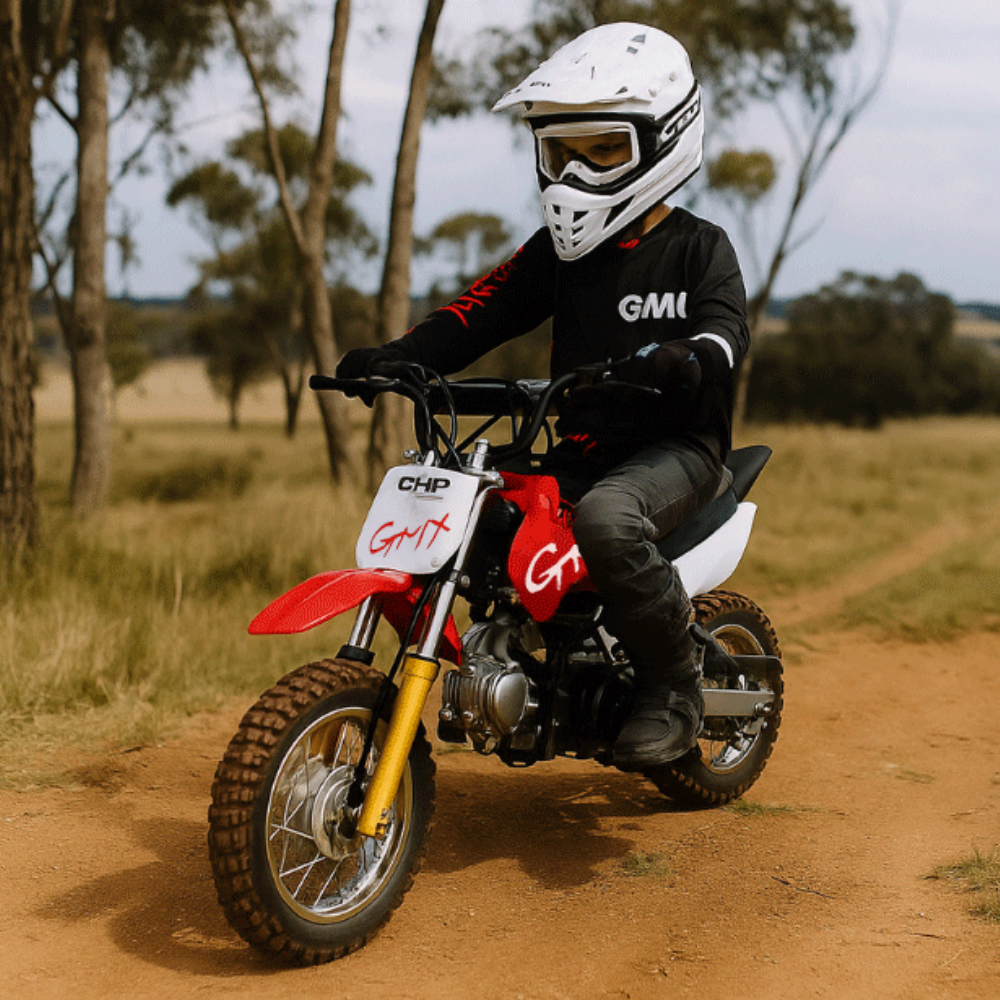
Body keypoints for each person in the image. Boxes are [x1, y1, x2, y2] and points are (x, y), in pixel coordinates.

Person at [337, 23, 749, 769]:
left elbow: (726, 337)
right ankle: (523, 668)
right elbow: (476, 313)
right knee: (474, 513)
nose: (573, 173)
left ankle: (676, 684)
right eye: (559, 151)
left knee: (607, 520)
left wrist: (685, 356)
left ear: (663, 142)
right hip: (581, 451)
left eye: (602, 150)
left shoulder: (699, 248)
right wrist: (396, 359)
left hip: (677, 452)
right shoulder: (556, 257)